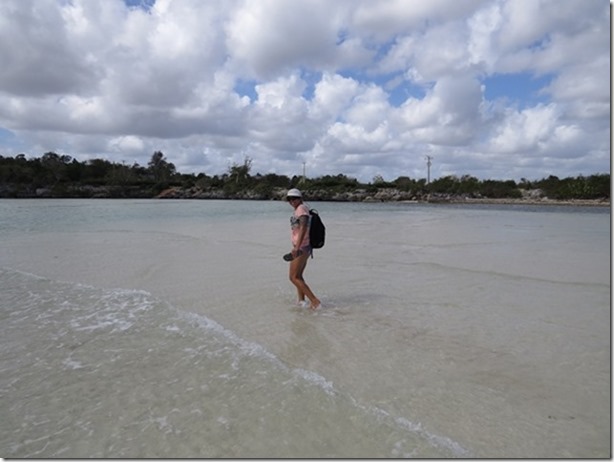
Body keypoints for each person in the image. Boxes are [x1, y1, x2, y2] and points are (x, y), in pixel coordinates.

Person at [286, 188, 321, 310]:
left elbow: (303, 228)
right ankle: (301, 302)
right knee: (299, 276)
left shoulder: (301, 209)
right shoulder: (300, 209)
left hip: (302, 247)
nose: (292, 201)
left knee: (293, 277)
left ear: (300, 198)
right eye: (289, 199)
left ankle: (315, 301)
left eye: (294, 198)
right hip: (304, 246)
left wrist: (297, 247)